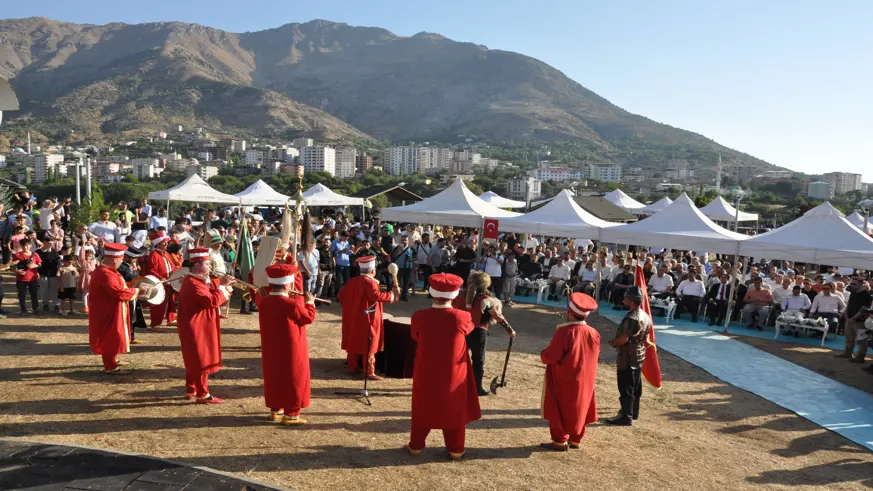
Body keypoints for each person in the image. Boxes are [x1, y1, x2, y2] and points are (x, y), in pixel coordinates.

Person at [407, 273, 481, 461]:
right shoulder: (462, 316)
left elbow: (415, 336)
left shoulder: (419, 316)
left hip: (427, 371)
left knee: (423, 407)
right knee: (454, 407)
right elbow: (470, 327)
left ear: (431, 292)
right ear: (455, 295)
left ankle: (416, 445)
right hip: (454, 373)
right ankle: (455, 448)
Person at [256, 263, 317, 425]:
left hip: (272, 347)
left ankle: (276, 409)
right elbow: (308, 318)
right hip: (292, 348)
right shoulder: (292, 304)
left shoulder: (264, 302)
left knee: (275, 376)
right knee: (294, 377)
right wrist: (310, 303)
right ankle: (291, 414)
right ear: (288, 284)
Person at [540, 292, 601, 451]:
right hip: (586, 377)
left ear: (570, 314)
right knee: (581, 405)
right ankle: (576, 439)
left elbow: (551, 356)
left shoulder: (565, 331)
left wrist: (543, 354)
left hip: (564, 377)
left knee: (559, 406)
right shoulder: (594, 332)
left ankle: (559, 440)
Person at [176, 248, 235, 403]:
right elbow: (211, 301)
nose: (210, 268)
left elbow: (210, 286)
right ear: (197, 265)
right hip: (196, 326)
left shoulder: (196, 280)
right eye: (207, 264)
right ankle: (203, 394)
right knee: (201, 359)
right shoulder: (194, 283)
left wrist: (222, 284)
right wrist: (223, 287)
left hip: (196, 324)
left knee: (193, 358)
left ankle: (191, 389)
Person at [88, 243, 151, 374]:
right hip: (107, 311)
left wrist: (132, 285)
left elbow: (120, 286)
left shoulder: (108, 272)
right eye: (121, 259)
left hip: (111, 309)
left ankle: (113, 359)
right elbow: (119, 292)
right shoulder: (106, 274)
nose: (121, 262)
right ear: (115, 259)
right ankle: (110, 366)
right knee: (110, 337)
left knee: (114, 336)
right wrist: (137, 290)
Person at [453, 271, 516, 396]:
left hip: (460, 331)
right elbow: (497, 316)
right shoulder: (486, 300)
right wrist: (509, 329)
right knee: (478, 361)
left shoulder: (459, 296)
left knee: (458, 359)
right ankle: (477, 388)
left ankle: (455, 382)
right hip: (477, 331)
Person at [337, 255, 399, 379]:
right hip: (367, 317)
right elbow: (375, 296)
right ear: (373, 270)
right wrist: (392, 295)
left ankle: (352, 366)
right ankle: (368, 371)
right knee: (369, 342)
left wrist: (352, 307)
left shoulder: (352, 281)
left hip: (354, 316)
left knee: (354, 339)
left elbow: (340, 296)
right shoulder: (370, 282)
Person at [605, 286, 651, 426]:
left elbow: (624, 338)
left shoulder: (632, 318)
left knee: (626, 386)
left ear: (631, 301)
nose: (624, 299)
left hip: (628, 355)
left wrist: (613, 343)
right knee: (635, 385)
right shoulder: (644, 314)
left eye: (626, 298)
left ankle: (626, 416)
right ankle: (633, 411)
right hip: (638, 353)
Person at [146, 230, 176, 328]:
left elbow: (172, 266)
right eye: (164, 242)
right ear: (158, 244)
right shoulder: (154, 255)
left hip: (169, 281)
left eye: (166, 242)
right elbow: (151, 270)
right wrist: (161, 278)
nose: (166, 244)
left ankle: (171, 319)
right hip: (159, 282)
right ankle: (156, 323)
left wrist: (175, 274)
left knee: (171, 300)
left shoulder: (166, 253)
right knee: (158, 302)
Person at [118, 245, 148, 343]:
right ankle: (126, 337)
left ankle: (131, 336)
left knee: (133, 316)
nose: (135, 259)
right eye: (134, 257)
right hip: (127, 294)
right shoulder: (121, 267)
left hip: (134, 294)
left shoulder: (130, 266)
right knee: (127, 316)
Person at [838, 279, 872, 362]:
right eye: (851, 283)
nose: (852, 285)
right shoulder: (853, 293)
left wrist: (854, 318)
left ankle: (860, 357)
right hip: (849, 319)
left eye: (854, 284)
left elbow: (863, 308)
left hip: (860, 321)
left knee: (861, 339)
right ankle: (848, 353)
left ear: (861, 284)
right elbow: (849, 304)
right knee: (848, 337)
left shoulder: (866, 295)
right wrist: (845, 315)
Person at [13, 238, 42, 315]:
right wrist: (17, 271)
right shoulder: (17, 255)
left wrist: (35, 265)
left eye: (27, 245)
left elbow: (40, 264)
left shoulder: (35, 254)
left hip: (33, 278)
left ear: (30, 245)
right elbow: (12, 266)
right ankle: (23, 309)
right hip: (21, 279)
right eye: (23, 245)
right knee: (22, 295)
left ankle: (35, 309)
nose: (25, 247)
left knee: (34, 294)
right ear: (21, 246)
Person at [391, 235, 415, 301]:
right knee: (396, 281)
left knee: (406, 282)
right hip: (399, 267)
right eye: (403, 240)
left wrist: (411, 259)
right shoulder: (397, 247)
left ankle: (404, 295)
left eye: (405, 240)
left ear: (408, 241)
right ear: (400, 240)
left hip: (408, 267)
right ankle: (394, 295)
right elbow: (392, 255)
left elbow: (415, 257)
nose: (404, 241)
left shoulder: (411, 248)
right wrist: (398, 250)